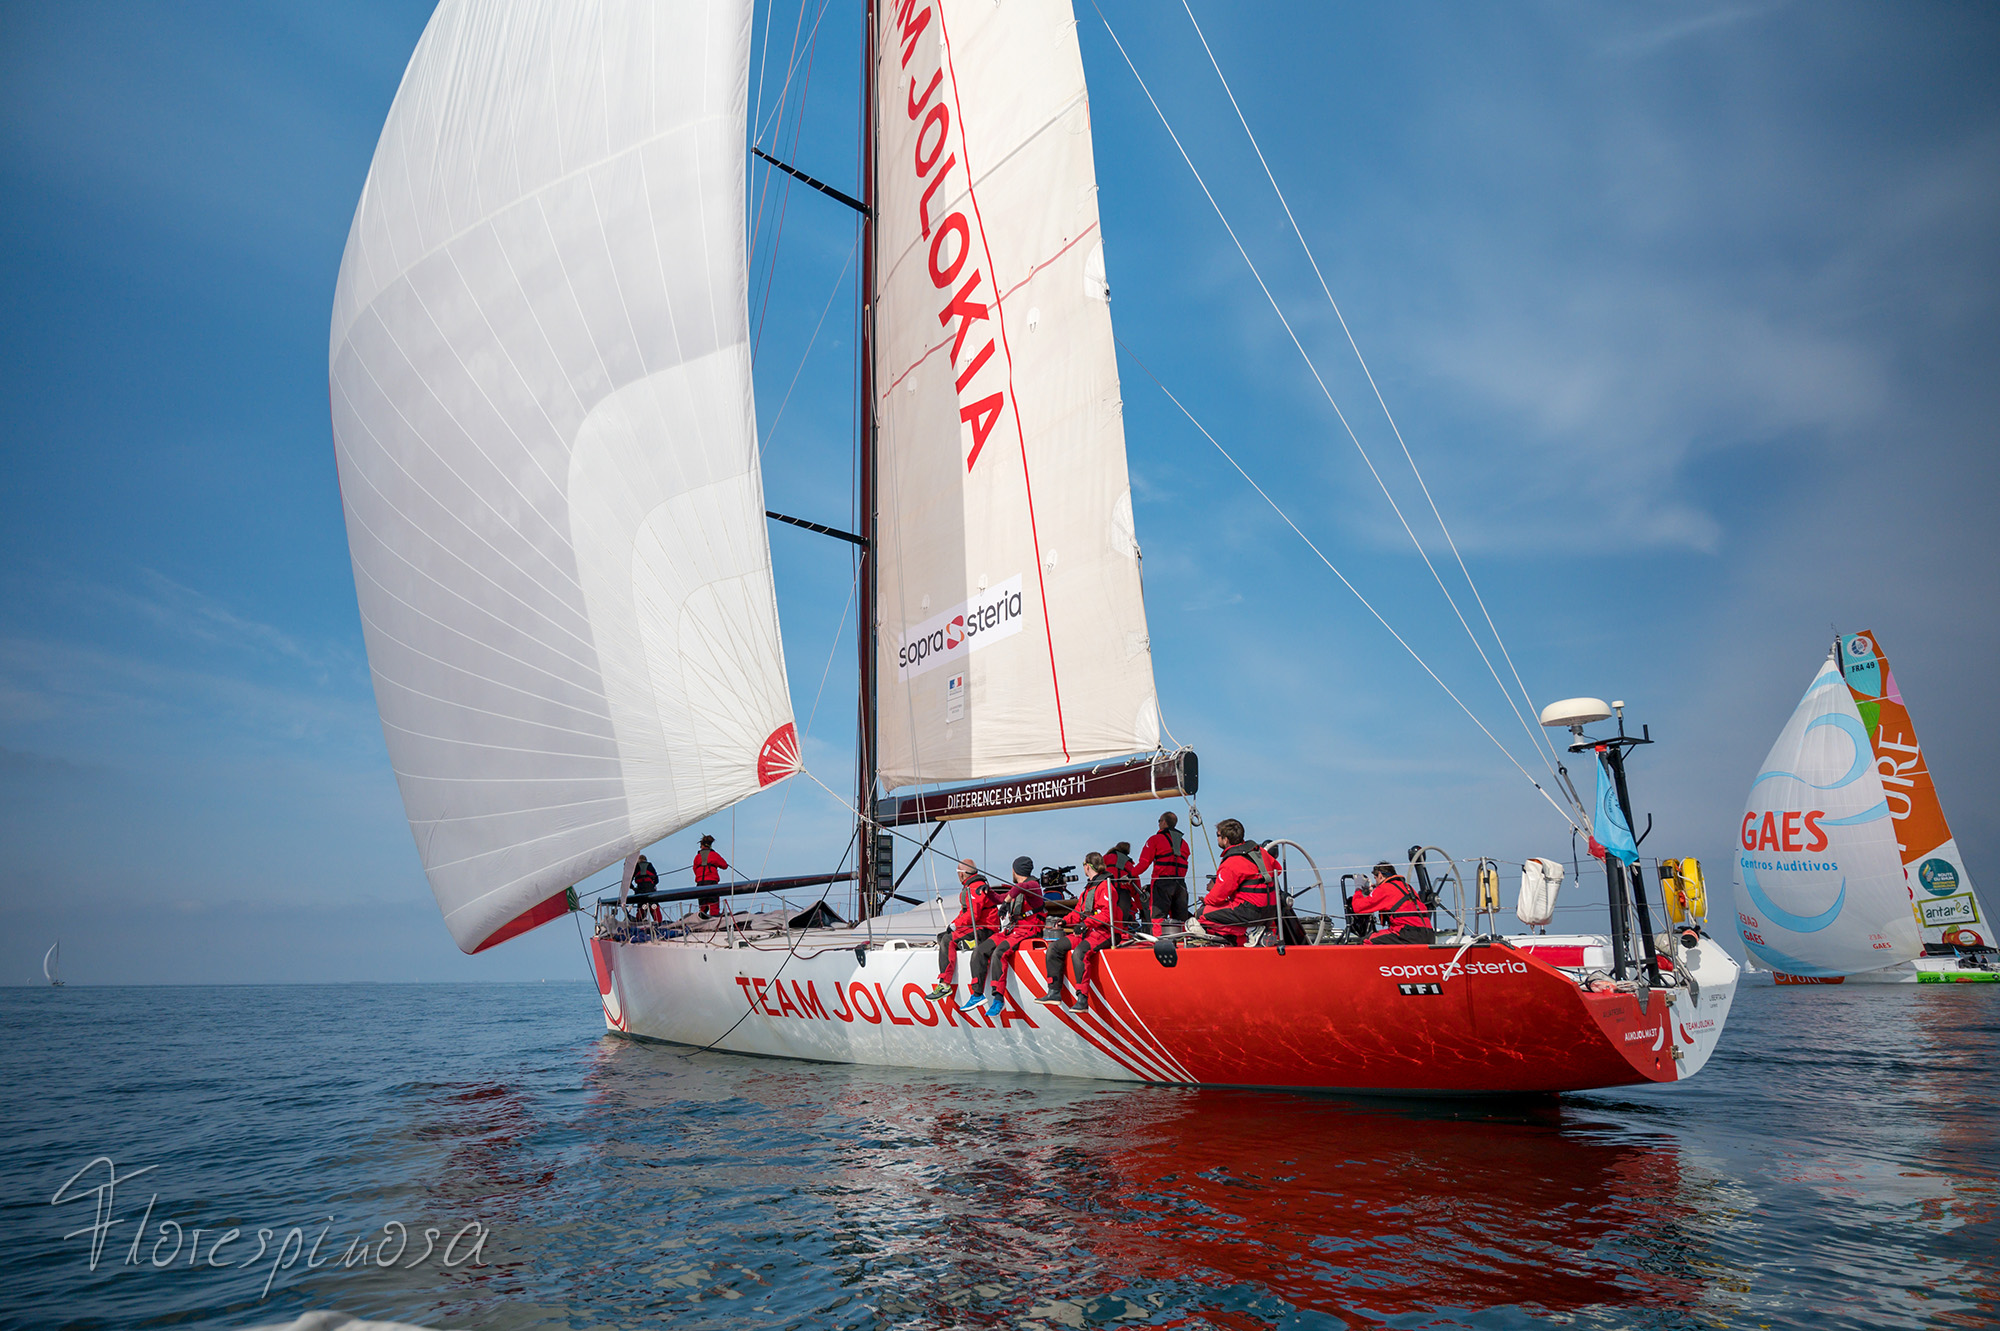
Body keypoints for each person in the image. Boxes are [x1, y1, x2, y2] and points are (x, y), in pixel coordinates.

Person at [1038, 852, 1135, 1011]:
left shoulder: (1106, 886)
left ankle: (1082, 998)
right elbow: (1078, 912)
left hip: (1104, 932)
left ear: (1088, 866)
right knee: (1054, 948)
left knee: (1079, 952)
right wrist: (1065, 921)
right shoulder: (1088, 889)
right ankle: (1054, 992)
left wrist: (1086, 924)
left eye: (1084, 864)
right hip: (1088, 931)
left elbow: (1105, 914)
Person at [962, 856, 1046, 1016]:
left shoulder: (1033, 885)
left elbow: (1019, 889)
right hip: (1012, 930)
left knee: (999, 952)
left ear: (1016, 870)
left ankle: (998, 998)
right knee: (980, 950)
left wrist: (1007, 902)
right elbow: (1001, 898)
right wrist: (988, 892)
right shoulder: (1019, 887)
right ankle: (977, 994)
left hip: (1028, 929)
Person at [1189, 819, 1279, 946]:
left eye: (1218, 835)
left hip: (1250, 912)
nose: (1217, 839)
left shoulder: (1231, 862)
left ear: (1226, 839)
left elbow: (1217, 897)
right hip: (1271, 911)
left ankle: (1250, 931)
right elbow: (1277, 870)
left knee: (1202, 915)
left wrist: (1206, 901)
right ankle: (1253, 934)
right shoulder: (1260, 852)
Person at [927, 859, 998, 1002]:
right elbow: (966, 912)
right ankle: (963, 947)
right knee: (943, 936)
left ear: (962, 875)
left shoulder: (974, 888)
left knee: (948, 940)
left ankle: (945, 984)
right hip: (981, 927)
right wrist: (954, 924)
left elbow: (974, 914)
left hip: (985, 930)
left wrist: (956, 925)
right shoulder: (974, 886)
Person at [1351, 861, 1434, 944]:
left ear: (1380, 875)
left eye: (1375, 878)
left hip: (1407, 934)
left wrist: (1358, 888)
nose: (1375, 883)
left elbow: (1358, 907)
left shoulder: (1385, 888)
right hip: (1428, 934)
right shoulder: (1408, 887)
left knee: (1365, 941)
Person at [1134, 812, 1192, 923]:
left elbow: (1144, 863)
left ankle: (1158, 939)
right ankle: (1180, 939)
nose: (1159, 823)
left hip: (1161, 884)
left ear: (1164, 822)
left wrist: (1130, 875)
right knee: (1180, 919)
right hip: (1180, 885)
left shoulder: (1155, 840)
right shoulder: (1184, 844)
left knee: (1158, 917)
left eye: (1159, 821)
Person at [693, 835, 729, 918]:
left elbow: (695, 869)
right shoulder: (714, 855)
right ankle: (715, 920)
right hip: (711, 881)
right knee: (713, 904)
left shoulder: (697, 857)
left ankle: (702, 919)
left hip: (700, 882)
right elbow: (724, 866)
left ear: (702, 846)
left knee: (703, 905)